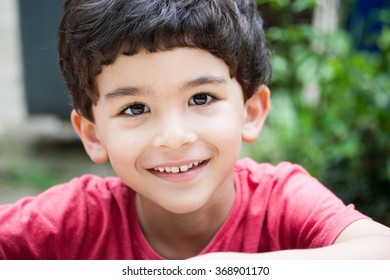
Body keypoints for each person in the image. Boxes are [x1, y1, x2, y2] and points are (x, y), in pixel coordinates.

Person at [1, 0, 389, 260]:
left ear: (251, 111)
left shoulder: (280, 203)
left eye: (201, 99)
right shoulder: (78, 219)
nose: (174, 136)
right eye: (135, 108)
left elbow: (380, 251)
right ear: (93, 134)